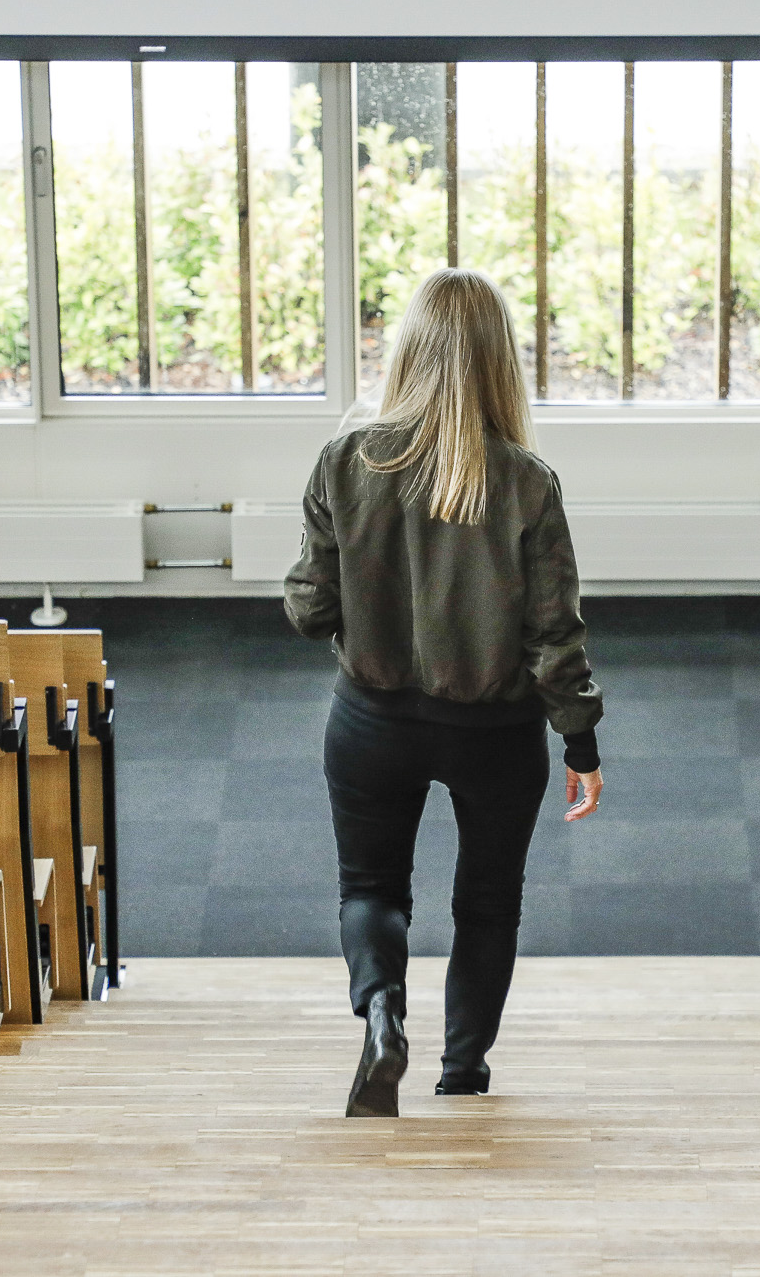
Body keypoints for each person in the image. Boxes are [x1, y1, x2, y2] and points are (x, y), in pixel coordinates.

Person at [284, 267, 605, 1118]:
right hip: (495, 734)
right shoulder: (528, 480)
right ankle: (463, 1073)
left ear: (407, 353)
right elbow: (554, 634)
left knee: (370, 890)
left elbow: (309, 609)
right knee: (488, 903)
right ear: (501, 361)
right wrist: (580, 742)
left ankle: (382, 1015)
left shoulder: (345, 462)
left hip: (371, 722)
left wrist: (366, 595)